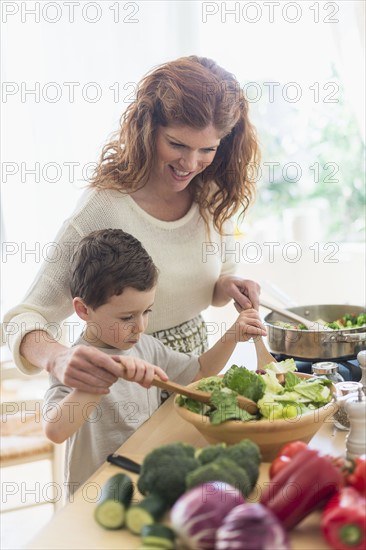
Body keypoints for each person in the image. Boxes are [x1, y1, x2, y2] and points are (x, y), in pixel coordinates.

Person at [3, 55, 261, 395]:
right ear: (147, 129)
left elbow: (208, 290)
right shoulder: (102, 209)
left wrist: (228, 285)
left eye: (207, 149)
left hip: (193, 377)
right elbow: (23, 318)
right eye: (177, 144)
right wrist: (58, 359)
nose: (190, 163)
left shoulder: (212, 193)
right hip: (122, 385)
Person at [43, 229, 266, 495]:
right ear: (83, 310)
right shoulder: (73, 363)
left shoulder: (145, 346)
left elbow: (200, 371)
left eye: (147, 311)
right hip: (94, 494)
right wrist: (99, 379)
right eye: (127, 318)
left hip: (143, 481)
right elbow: (55, 430)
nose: (139, 326)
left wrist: (233, 335)